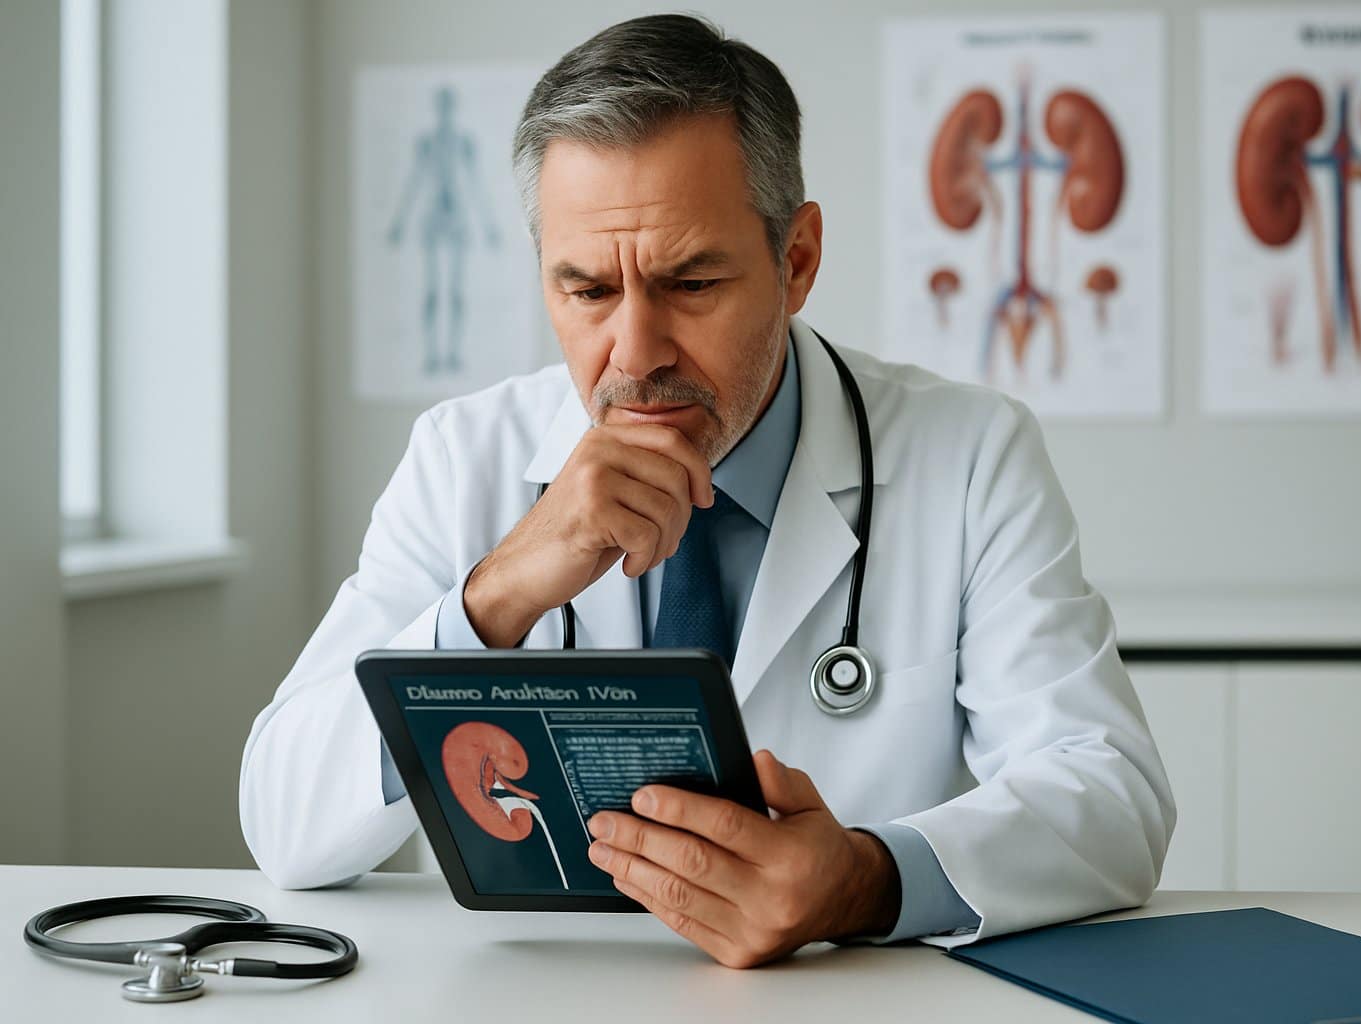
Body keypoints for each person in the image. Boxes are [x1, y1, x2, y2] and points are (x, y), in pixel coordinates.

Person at [239, 13, 1175, 969]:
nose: (635, 356)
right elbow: (285, 823)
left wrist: (862, 879)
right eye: (588, 291)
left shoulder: (969, 455)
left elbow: (1110, 798)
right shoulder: (461, 458)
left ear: (796, 261)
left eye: (690, 283)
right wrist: (500, 593)